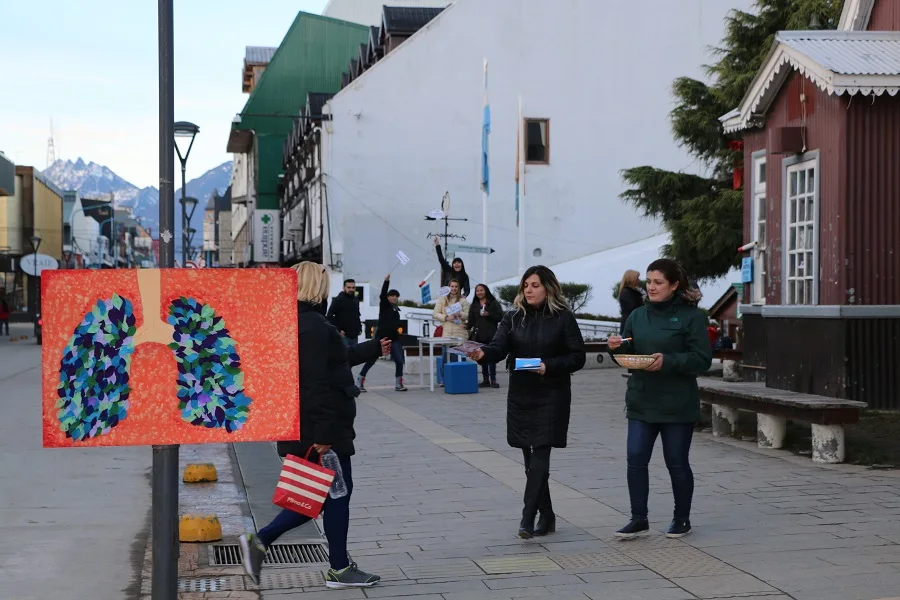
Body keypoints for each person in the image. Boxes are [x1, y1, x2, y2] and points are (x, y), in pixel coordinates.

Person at [240, 262, 390, 589]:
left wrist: (373, 347)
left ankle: (263, 543)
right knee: (335, 495)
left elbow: (333, 362)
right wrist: (324, 434)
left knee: (314, 498)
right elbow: (315, 383)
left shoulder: (294, 323)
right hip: (320, 429)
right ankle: (336, 568)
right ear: (314, 287)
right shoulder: (314, 326)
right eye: (324, 282)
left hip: (304, 424)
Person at [468, 266, 585, 539]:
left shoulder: (563, 318)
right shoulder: (512, 318)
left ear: (548, 288)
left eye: (534, 285)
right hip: (521, 395)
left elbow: (577, 356)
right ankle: (547, 514)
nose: (529, 290)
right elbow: (498, 348)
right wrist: (480, 354)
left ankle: (527, 516)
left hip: (551, 393)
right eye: (526, 286)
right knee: (529, 459)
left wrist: (548, 366)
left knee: (541, 454)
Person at [608, 258, 712, 540]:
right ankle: (638, 518)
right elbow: (627, 354)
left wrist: (668, 361)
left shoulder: (692, 318)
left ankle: (681, 518)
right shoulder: (637, 316)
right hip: (642, 400)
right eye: (648, 282)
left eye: (658, 282)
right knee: (636, 459)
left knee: (676, 462)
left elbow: (702, 359)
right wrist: (616, 349)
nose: (651, 288)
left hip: (677, 402)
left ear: (674, 285)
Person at [357, 274, 408, 392]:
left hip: (394, 339)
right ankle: (360, 380)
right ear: (388, 297)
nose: (394, 298)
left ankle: (398, 383)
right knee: (372, 359)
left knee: (399, 360)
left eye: (396, 296)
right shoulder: (384, 306)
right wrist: (386, 281)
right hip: (381, 338)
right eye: (392, 296)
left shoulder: (396, 310)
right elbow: (382, 294)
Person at [432, 278, 470, 383]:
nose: (454, 288)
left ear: (459, 288)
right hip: (447, 332)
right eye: (452, 286)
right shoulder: (442, 299)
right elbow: (435, 313)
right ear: (449, 287)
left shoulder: (463, 300)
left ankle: (460, 380)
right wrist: (445, 317)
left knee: (460, 357)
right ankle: (445, 380)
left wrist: (460, 314)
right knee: (446, 356)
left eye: (456, 286)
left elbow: (468, 315)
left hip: (460, 332)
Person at [466, 284, 503, 388]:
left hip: (491, 333)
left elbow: (500, 317)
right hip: (479, 334)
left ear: (486, 291)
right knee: (481, 357)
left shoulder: (493, 303)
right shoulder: (474, 305)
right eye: (477, 291)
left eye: (481, 290)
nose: (479, 293)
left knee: (491, 356)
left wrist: (489, 315)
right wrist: (465, 326)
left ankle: (493, 379)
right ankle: (485, 380)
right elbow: (471, 321)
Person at [327, 279, 362, 346]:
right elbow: (329, 316)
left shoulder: (355, 300)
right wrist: (339, 330)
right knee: (344, 355)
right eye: (349, 287)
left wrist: (359, 328)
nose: (351, 289)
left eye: (353, 287)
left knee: (354, 355)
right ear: (344, 288)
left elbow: (357, 315)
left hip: (354, 335)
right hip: (344, 336)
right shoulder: (338, 300)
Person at [617, 270, 644, 334]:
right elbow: (633, 308)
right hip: (630, 324)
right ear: (632, 279)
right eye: (637, 278)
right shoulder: (627, 292)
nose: (639, 280)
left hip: (633, 323)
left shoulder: (631, 292)